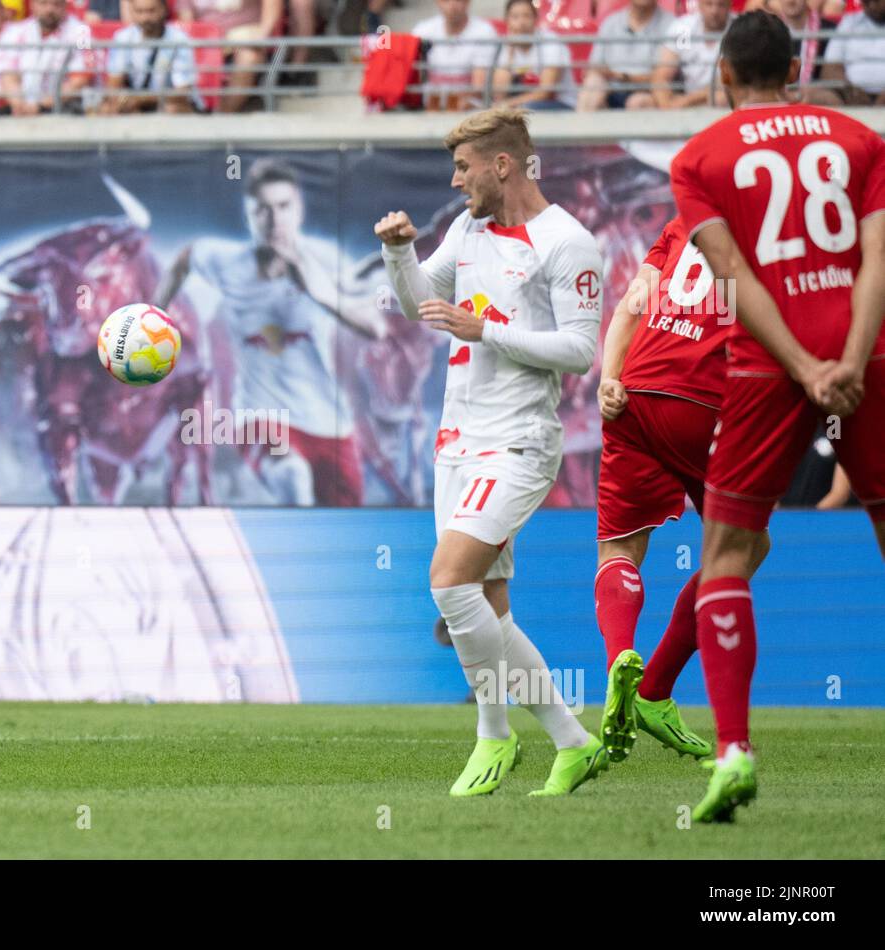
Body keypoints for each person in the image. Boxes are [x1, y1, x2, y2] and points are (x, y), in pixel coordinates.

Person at [669, 10, 885, 821]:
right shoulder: (858, 138)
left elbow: (733, 275)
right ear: (795, 69)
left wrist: (801, 367)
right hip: (867, 353)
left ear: (724, 73)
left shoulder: (697, 158)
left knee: (726, 551)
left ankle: (732, 752)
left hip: (769, 357)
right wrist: (850, 364)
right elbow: (878, 259)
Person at [375, 107, 608, 797]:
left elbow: (580, 350)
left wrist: (486, 329)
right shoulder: (469, 228)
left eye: (464, 167)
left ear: (501, 165)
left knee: (449, 582)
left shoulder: (567, 242)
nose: (456, 180)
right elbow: (422, 302)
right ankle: (572, 740)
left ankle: (493, 735)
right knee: (488, 605)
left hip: (518, 443)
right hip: (457, 442)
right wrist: (399, 252)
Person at [593, 215, 769, 763]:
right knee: (745, 548)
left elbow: (631, 303)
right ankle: (655, 687)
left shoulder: (681, 223)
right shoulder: (769, 229)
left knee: (620, 547)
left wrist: (608, 377)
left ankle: (621, 657)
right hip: (706, 403)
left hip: (635, 391)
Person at [157, 158, 386, 507]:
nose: (274, 219)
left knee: (342, 526)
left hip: (329, 424)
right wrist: (153, 312)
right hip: (260, 417)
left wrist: (318, 292)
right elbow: (184, 260)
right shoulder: (226, 261)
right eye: (262, 210)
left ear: (299, 211)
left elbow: (374, 328)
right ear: (249, 215)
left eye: (283, 207)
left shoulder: (324, 261)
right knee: (292, 478)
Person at [174, 0, 282, 113]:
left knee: (249, 57)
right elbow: (188, 26)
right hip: (207, 45)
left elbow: (272, 10)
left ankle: (222, 114)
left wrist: (261, 34)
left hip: (246, 40)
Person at [100, 0, 199, 114]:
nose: (145, 18)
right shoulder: (123, 38)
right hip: (135, 104)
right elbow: (114, 83)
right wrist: (120, 102)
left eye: (151, 11)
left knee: (173, 109)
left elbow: (182, 92)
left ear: (164, 10)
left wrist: (142, 99)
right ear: (132, 12)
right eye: (139, 11)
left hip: (166, 104)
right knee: (108, 108)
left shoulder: (179, 40)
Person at [576, 0, 673, 111]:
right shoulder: (610, 22)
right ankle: (584, 127)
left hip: (648, 94)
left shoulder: (672, 25)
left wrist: (619, 76)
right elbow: (594, 67)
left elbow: (662, 78)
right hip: (610, 92)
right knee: (592, 84)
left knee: (638, 102)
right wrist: (595, 72)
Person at [411, 0, 500, 111]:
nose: (452, 5)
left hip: (469, 107)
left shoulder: (485, 32)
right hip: (429, 105)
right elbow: (414, 76)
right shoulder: (422, 30)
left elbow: (478, 87)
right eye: (446, 0)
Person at [645, 0, 733, 109]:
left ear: (730, 5)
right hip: (686, 98)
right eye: (709, 4)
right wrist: (667, 106)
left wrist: (687, 100)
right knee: (640, 102)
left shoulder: (737, 29)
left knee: (720, 98)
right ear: (699, 4)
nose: (714, 11)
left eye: (721, 5)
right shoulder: (684, 29)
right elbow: (661, 75)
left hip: (720, 97)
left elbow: (726, 83)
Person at [9, 0, 92, 114]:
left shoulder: (82, 31)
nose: (50, 9)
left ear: (65, 6)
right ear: (33, 5)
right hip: (23, 106)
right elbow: (8, 76)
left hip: (64, 105)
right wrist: (18, 103)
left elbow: (81, 79)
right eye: (43, 3)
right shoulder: (18, 31)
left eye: (56, 4)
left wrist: (41, 105)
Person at [490, 0, 575, 111]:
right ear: (507, 21)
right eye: (515, 17)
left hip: (562, 104)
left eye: (526, 16)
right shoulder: (506, 46)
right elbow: (498, 95)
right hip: (521, 105)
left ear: (536, 19)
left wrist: (508, 105)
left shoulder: (551, 43)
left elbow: (546, 93)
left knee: (524, 110)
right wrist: (510, 53)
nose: (521, 22)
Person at [821, 0, 885, 104]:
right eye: (867, 2)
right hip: (851, 96)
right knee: (815, 95)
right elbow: (830, 68)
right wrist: (850, 90)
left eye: (876, 1)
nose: (872, 6)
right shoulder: (849, 22)